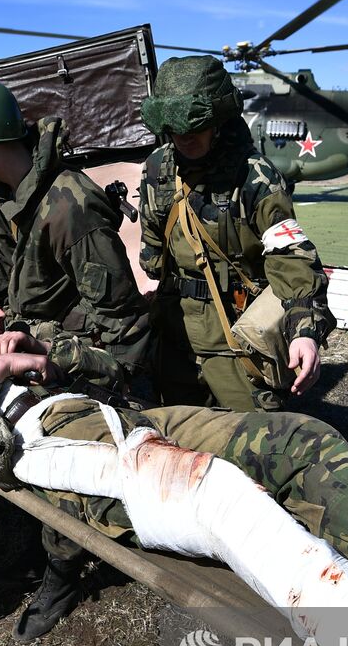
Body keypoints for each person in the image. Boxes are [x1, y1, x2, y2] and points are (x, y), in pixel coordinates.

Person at [0, 281, 348, 646]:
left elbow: (111, 369)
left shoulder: (22, 334)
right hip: (59, 443)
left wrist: (43, 356)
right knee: (215, 494)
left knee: (297, 436)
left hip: (132, 419)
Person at [0, 78, 154, 637]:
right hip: (34, 343)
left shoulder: (70, 204)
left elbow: (121, 320)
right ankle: (36, 541)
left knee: (64, 454)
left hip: (82, 356)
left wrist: (84, 370)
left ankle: (63, 570)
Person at [138, 55, 334, 411]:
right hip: (175, 333)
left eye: (194, 128)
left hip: (236, 337)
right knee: (183, 436)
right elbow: (152, 245)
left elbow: (292, 259)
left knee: (253, 440)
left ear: (218, 120)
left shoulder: (255, 177)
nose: (184, 138)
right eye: (176, 129)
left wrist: (304, 332)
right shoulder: (158, 168)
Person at [0, 78, 151, 376]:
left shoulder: (71, 206)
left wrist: (124, 382)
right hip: (27, 338)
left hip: (77, 351)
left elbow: (120, 315)